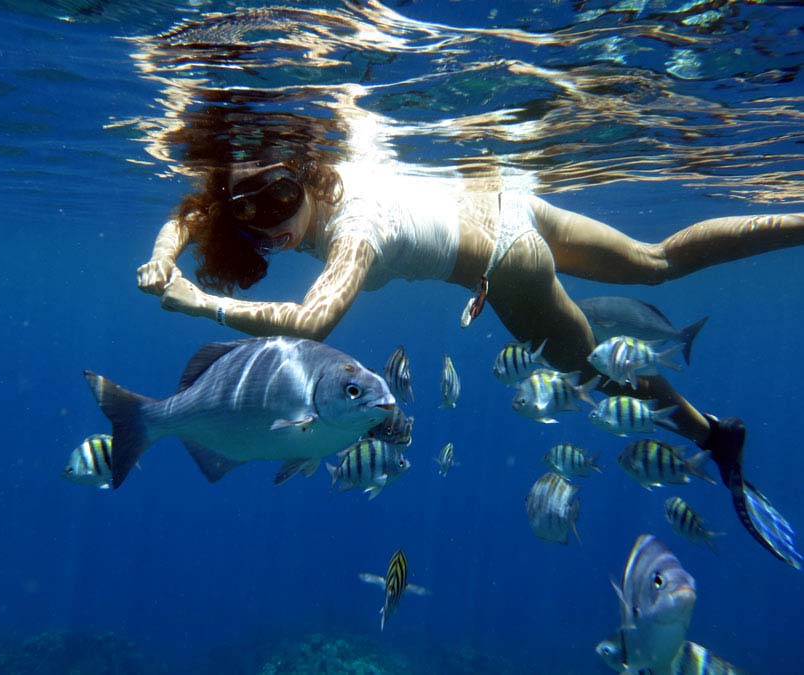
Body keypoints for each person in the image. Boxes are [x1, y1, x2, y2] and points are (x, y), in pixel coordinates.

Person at [136, 102, 804, 567]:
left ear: (308, 176)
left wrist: (200, 302)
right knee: (657, 260)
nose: (272, 224)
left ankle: (713, 437)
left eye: (281, 199)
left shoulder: (353, 230)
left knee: (591, 370)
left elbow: (312, 322)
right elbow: (196, 210)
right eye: (250, 215)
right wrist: (167, 250)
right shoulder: (317, 186)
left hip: (507, 264)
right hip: (503, 198)